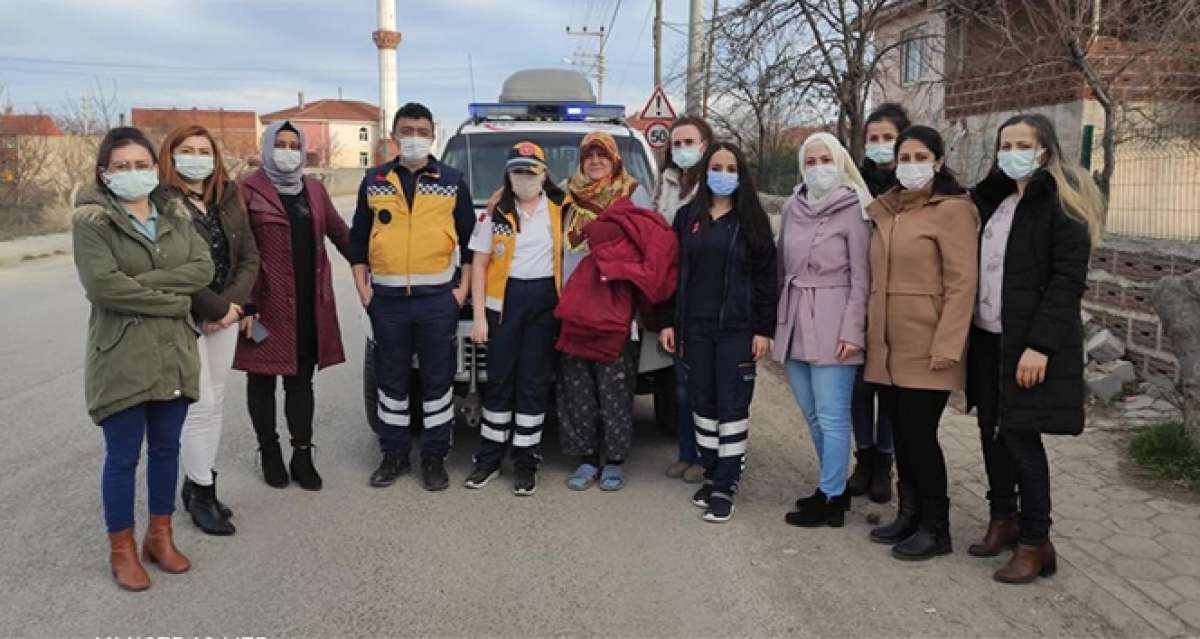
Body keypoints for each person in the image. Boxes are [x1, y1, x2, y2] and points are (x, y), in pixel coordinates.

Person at [73, 126, 213, 591]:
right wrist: (174, 301)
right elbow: (103, 287)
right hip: (123, 355)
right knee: (122, 457)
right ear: (105, 173)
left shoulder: (174, 213)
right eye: (122, 166)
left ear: (155, 168)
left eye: (141, 165)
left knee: (167, 450)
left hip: (172, 352)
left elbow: (202, 269)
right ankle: (122, 550)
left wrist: (146, 285)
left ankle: (160, 536)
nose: (133, 173)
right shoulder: (92, 221)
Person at [966, 114, 1100, 583]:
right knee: (990, 431)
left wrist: (1040, 346)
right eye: (1005, 144)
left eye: (1022, 144)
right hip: (987, 336)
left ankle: (1035, 540)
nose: (1011, 152)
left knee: (1021, 437)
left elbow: (1067, 282)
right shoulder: (995, 201)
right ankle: (1002, 518)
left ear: (1044, 149)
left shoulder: (1061, 205)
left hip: (1028, 345)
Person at [863, 126, 979, 560]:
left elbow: (962, 282)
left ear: (939, 161)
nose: (910, 165)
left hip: (928, 345)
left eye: (919, 156)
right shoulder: (889, 209)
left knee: (920, 435)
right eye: (903, 157)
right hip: (887, 345)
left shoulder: (953, 211)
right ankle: (909, 514)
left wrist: (948, 345)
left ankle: (936, 527)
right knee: (902, 436)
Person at [350, 102, 475, 491]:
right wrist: (363, 290)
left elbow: (472, 246)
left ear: (433, 135)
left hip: (437, 300)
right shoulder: (374, 180)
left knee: (437, 384)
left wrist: (461, 293)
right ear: (394, 136)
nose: (415, 138)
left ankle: (434, 459)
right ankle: (394, 456)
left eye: (422, 131)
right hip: (386, 302)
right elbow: (357, 241)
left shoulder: (452, 180)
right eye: (407, 130)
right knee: (391, 382)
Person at [659, 142, 778, 523]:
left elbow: (766, 281)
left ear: (740, 174)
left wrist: (764, 329)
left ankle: (726, 485)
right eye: (716, 166)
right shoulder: (686, 217)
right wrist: (666, 320)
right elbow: (671, 274)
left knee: (731, 408)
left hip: (737, 331)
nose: (722, 174)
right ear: (706, 172)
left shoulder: (753, 221)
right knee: (702, 406)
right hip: (695, 329)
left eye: (730, 167)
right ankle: (711, 474)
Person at [235, 121, 351, 491]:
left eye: (293, 145)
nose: (287, 151)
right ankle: (269, 451)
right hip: (262, 306)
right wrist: (244, 304)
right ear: (267, 148)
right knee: (262, 380)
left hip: (306, 306)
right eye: (280, 144)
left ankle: (301, 454)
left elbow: (340, 234)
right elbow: (238, 250)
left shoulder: (314, 190)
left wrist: (378, 265)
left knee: (301, 383)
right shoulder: (247, 190)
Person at [158, 125, 259, 536]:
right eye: (187, 150)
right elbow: (167, 263)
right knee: (197, 407)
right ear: (171, 155)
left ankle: (199, 481)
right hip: (187, 317)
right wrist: (215, 308)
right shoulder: (161, 200)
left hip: (226, 316)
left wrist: (232, 307)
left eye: (204, 150)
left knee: (216, 402)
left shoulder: (227, 195)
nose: (196, 157)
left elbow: (249, 255)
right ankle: (201, 493)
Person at [776, 132, 872, 528]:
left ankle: (831, 497)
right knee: (813, 415)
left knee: (833, 417)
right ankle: (834, 485)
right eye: (810, 161)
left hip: (835, 321)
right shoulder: (790, 207)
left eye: (825, 159)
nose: (818, 168)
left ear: (840, 160)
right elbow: (782, 266)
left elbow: (863, 278)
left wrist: (853, 331)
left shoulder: (856, 208)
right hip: (795, 317)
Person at [461, 142, 567, 496]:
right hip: (502, 307)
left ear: (543, 173)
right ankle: (489, 459)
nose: (524, 177)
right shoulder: (494, 214)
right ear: (508, 175)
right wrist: (478, 317)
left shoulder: (560, 209)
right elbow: (478, 263)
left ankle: (526, 462)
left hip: (543, 304)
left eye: (530, 170)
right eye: (517, 171)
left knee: (533, 383)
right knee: (501, 381)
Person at [557, 131, 650, 492]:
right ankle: (584, 458)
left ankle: (613, 460)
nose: (595, 162)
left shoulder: (632, 194)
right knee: (577, 387)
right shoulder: (567, 195)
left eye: (603, 156)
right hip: (574, 307)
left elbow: (648, 247)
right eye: (589, 156)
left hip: (616, 308)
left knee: (615, 389)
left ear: (615, 161)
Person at [847, 102, 912, 504]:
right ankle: (864, 458)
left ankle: (885, 463)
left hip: (898, 304)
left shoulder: (913, 191)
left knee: (888, 388)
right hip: (855, 301)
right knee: (858, 387)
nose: (880, 145)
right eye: (873, 138)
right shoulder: (851, 186)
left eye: (888, 138)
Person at [653, 115, 714, 485]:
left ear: (706, 144)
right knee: (683, 384)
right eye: (677, 143)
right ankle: (687, 452)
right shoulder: (666, 184)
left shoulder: (720, 183)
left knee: (708, 384)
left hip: (707, 293)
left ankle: (711, 457)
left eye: (689, 142)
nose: (683, 149)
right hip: (675, 291)